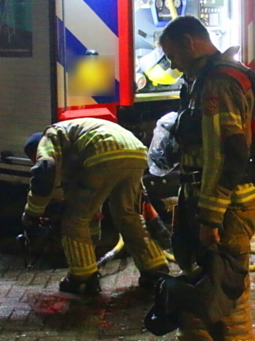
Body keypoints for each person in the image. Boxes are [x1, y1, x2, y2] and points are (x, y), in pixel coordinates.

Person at [157, 15, 255, 341]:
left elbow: (229, 155)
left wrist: (210, 218)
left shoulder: (218, 82)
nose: (172, 65)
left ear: (189, 42)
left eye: (172, 56)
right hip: (198, 196)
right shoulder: (202, 80)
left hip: (224, 206)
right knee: (198, 286)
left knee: (225, 293)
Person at [22, 118, 169, 295]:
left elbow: (45, 169)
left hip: (103, 154)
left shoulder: (50, 135)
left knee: (74, 221)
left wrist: (32, 213)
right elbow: (82, 182)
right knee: (128, 215)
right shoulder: (75, 139)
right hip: (136, 152)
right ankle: (155, 269)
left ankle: (83, 279)